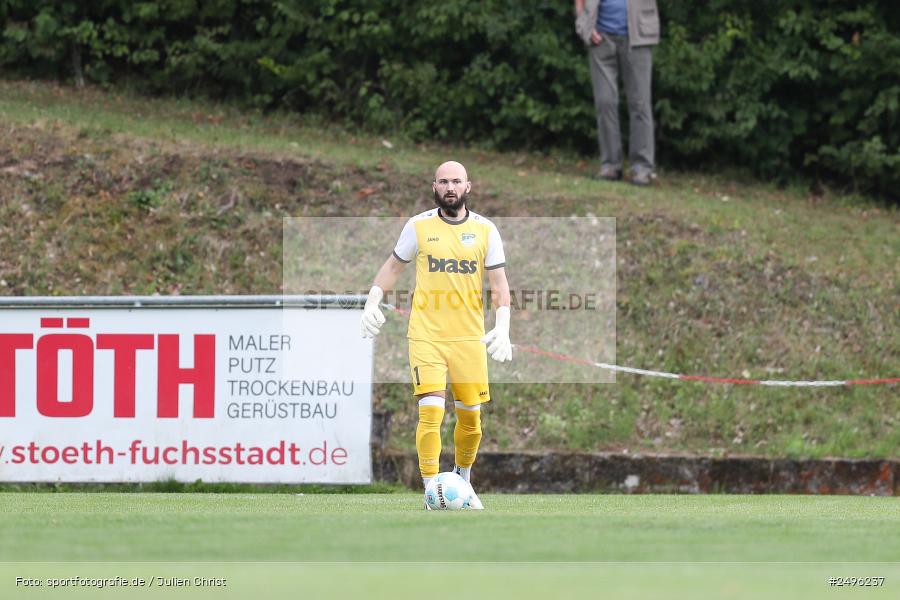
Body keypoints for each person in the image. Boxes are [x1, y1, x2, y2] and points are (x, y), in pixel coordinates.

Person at [360, 160, 512, 510]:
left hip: (469, 339)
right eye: (443, 181)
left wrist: (502, 327)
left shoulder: (486, 230)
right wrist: (372, 302)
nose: (450, 187)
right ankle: (431, 491)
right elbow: (393, 266)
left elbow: (499, 285)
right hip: (426, 336)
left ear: (467, 187)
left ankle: (463, 475)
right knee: (430, 412)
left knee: (471, 420)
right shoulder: (418, 226)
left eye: (456, 181)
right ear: (434, 186)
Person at [575, 0, 660, 185]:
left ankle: (642, 168)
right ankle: (610, 166)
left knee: (640, 103)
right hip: (601, 37)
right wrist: (583, 24)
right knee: (605, 103)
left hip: (638, 36)